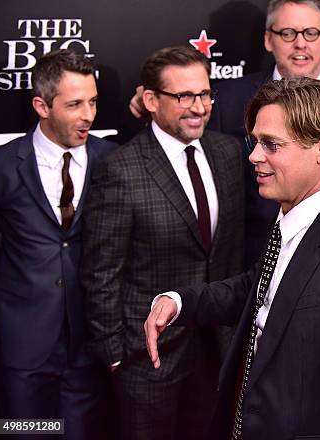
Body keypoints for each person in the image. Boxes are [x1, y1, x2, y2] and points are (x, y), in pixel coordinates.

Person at [145, 77, 320, 440]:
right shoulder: (288, 222)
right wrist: (178, 302)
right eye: (255, 142)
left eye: (271, 145)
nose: (254, 156)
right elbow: (259, 293)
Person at [130, 0, 320, 268]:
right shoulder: (228, 99)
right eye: (287, 33)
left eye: (310, 33)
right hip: (259, 261)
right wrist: (151, 108)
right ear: (268, 39)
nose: (300, 43)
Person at [80, 46, 244, 440]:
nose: (199, 107)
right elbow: (101, 272)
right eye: (184, 96)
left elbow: (231, 252)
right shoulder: (121, 169)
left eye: (205, 94)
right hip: (148, 359)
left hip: (217, 349)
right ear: (151, 100)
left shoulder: (228, 153)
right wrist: (117, 355)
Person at [0, 49, 116, 439]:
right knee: (24, 433)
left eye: (93, 101)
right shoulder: (1, 165)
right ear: (41, 105)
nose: (89, 115)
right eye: (75, 104)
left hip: (87, 344)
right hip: (22, 345)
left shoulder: (111, 159)